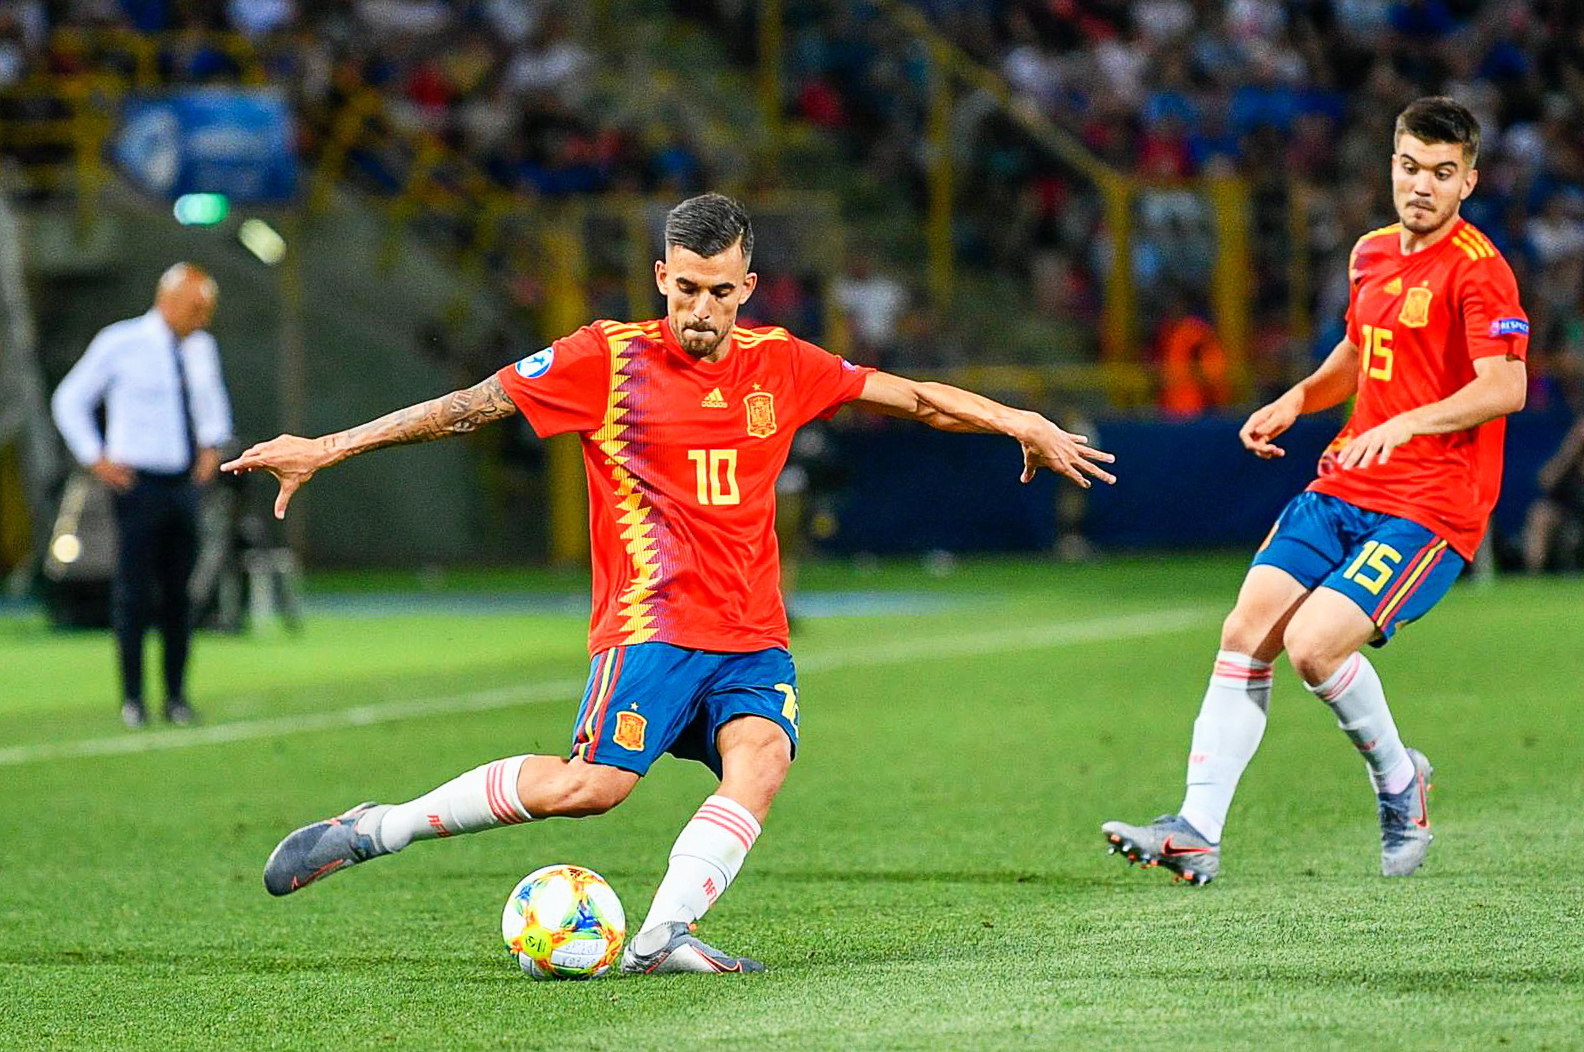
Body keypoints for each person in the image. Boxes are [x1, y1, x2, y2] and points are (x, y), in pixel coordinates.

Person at [224, 193, 1116, 974]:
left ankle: (663, 934)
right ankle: (380, 827)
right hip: (653, 628)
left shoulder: (784, 364)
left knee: (762, 760)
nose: (700, 308)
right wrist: (331, 447)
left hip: (753, 634)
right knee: (594, 789)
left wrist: (1015, 420)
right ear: (660, 277)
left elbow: (914, 397)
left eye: (718, 291)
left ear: (747, 289)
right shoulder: (604, 362)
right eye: (685, 288)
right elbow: (465, 409)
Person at [1102, 96, 1528, 885]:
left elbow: (1505, 386)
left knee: (1313, 647)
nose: (1421, 187)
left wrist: (1408, 425)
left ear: (1469, 181)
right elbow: (1361, 350)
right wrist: (1301, 396)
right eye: (1409, 168)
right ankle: (1197, 831)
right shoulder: (1370, 253)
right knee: (1246, 629)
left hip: (1429, 503)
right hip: (1345, 481)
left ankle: (1400, 783)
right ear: (1391, 165)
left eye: (1442, 173)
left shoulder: (1480, 271)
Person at [51, 263, 232, 729]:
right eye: (197, 308)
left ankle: (176, 697)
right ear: (168, 300)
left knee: (180, 594)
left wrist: (213, 446)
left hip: (183, 485)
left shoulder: (200, 348)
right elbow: (69, 399)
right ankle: (133, 699)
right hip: (138, 487)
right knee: (133, 593)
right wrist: (95, 457)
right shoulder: (121, 342)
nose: (203, 319)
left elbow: (211, 404)